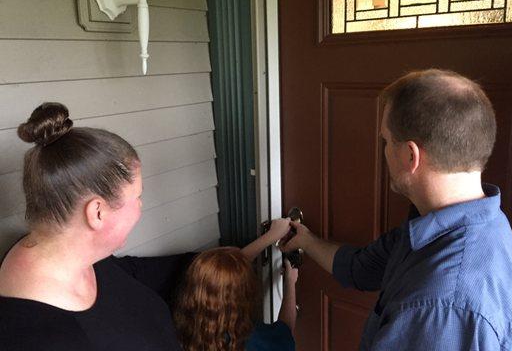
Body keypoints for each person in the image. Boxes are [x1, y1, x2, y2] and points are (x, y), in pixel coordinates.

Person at [281, 70, 512, 350]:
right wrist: (304, 239)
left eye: (386, 141)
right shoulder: (471, 223)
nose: (384, 150)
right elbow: (361, 268)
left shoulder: (443, 306)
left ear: (411, 156)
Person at [0, 102, 200, 350]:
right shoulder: (42, 338)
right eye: (137, 196)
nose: (140, 205)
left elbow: (129, 273)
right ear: (97, 212)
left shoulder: (77, 256)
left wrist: (212, 260)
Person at [175, 221, 298, 351]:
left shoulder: (187, 327)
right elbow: (286, 328)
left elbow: (221, 274)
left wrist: (271, 236)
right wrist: (290, 282)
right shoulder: (256, 342)